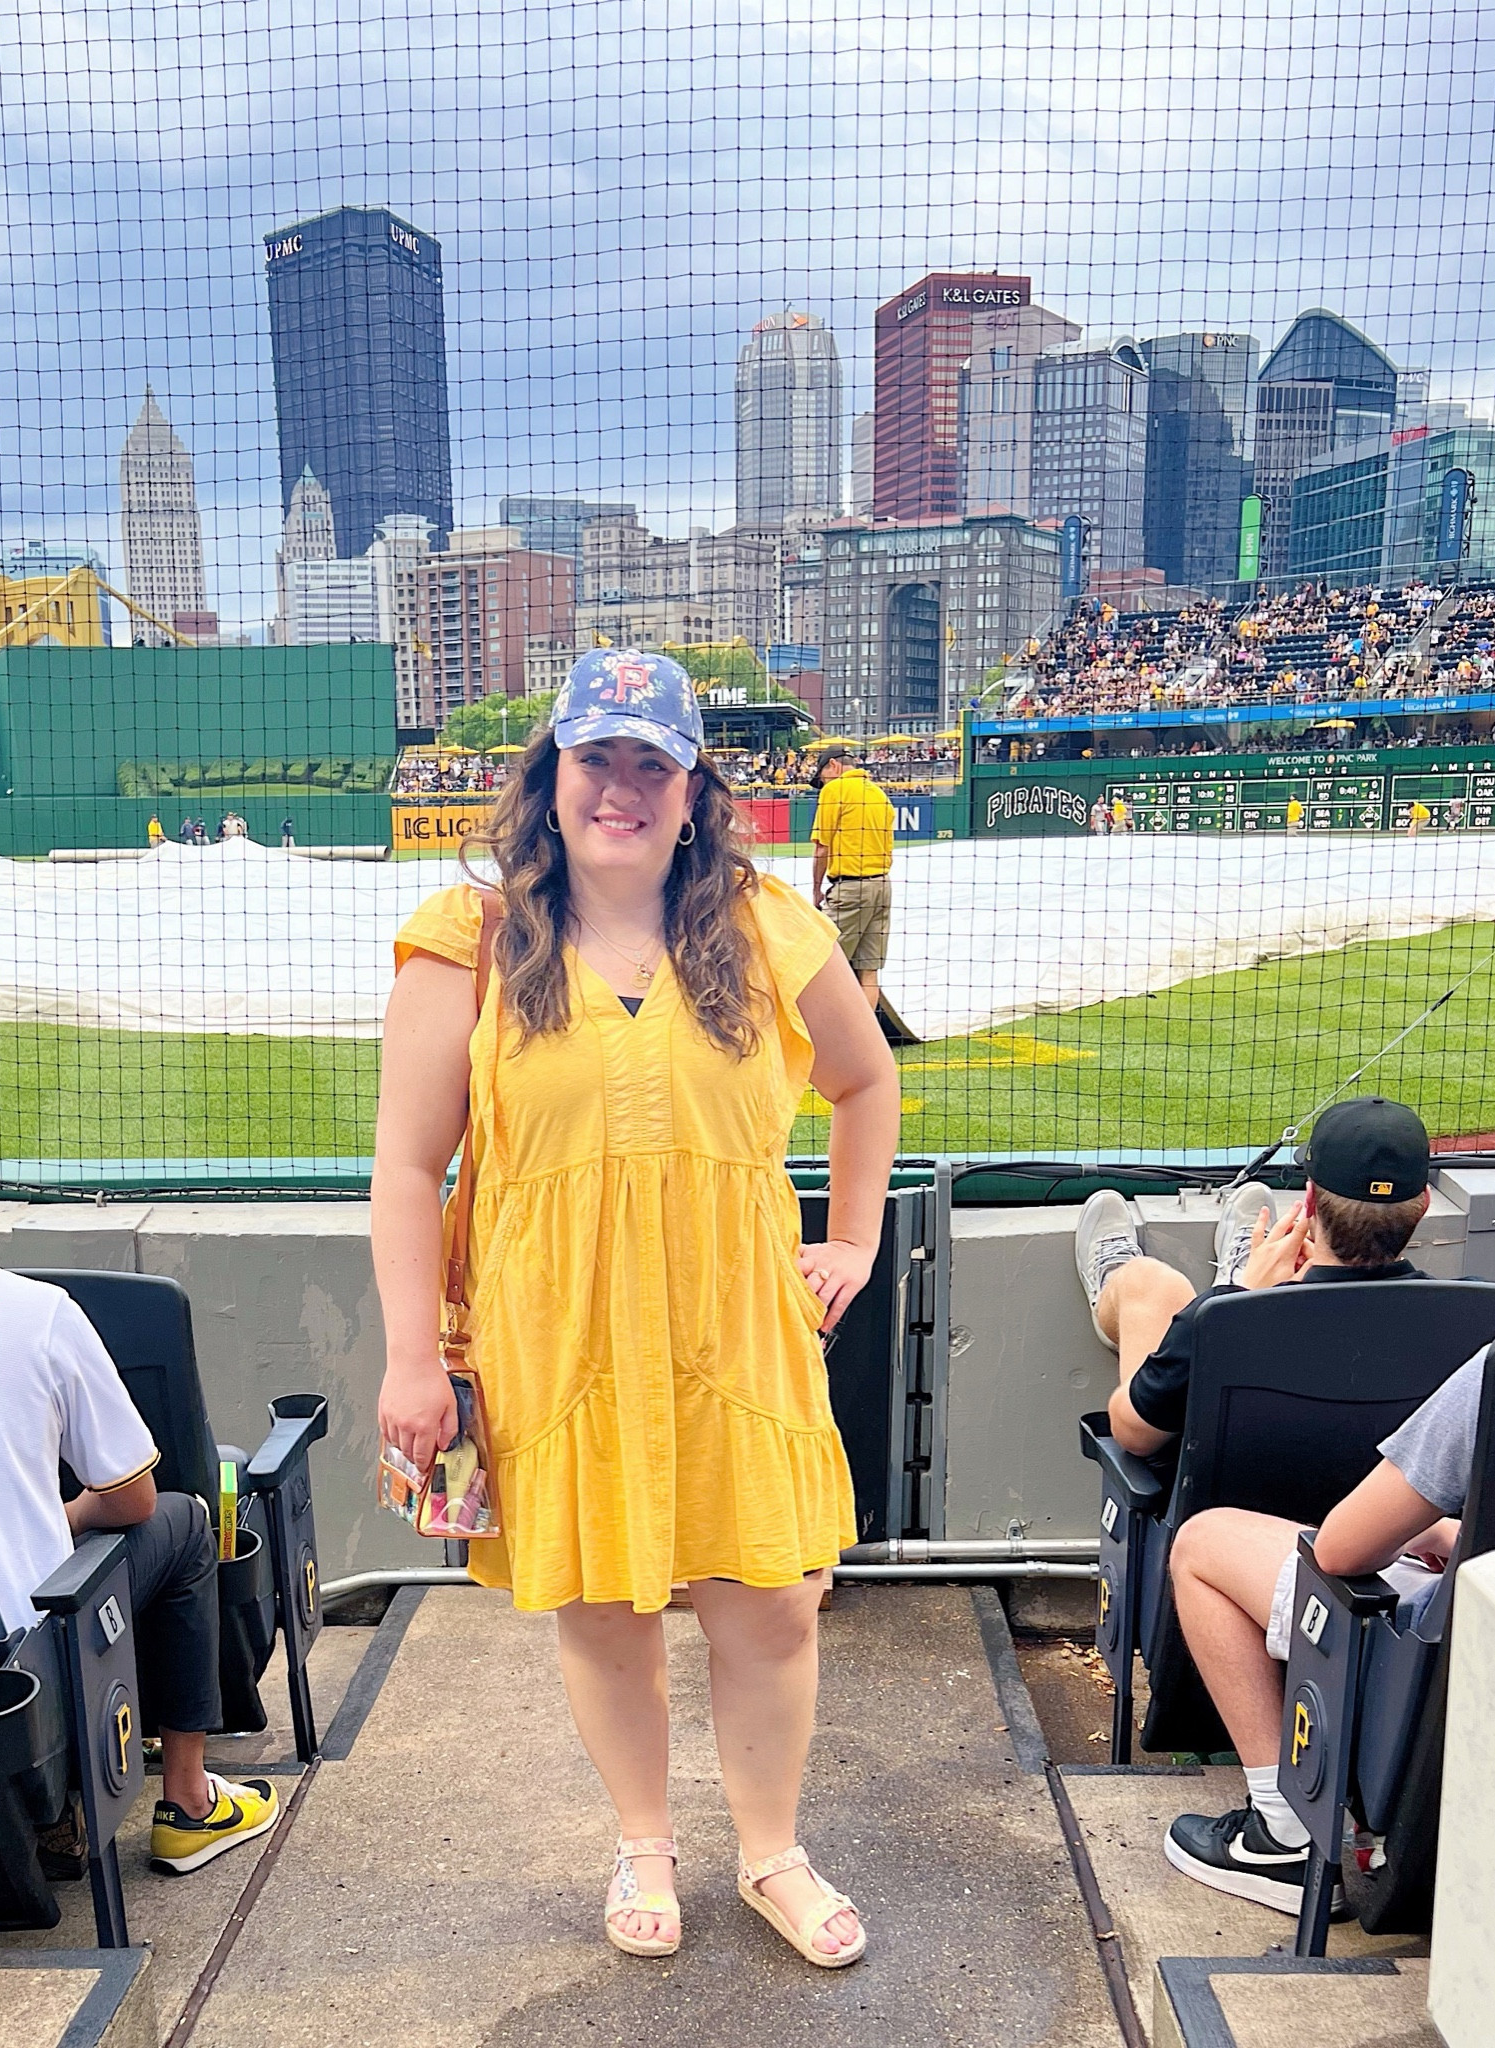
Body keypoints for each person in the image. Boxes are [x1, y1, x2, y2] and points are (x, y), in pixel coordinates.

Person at [375, 649, 898, 1967]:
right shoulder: (470, 942)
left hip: (736, 1333)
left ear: (689, 790)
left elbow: (865, 1078)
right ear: (549, 777)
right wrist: (406, 1359)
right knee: (603, 1608)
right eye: (593, 757)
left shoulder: (768, 926)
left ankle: (770, 1852)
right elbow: (403, 1164)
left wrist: (849, 1240)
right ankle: (643, 1844)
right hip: (560, 1337)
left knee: (768, 1603)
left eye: (648, 763)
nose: (619, 787)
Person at [0, 1067, 277, 1877]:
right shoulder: (36, 1311)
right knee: (187, 1520)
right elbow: (130, 1498)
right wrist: (66, 1516)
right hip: (5, 1686)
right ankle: (189, 1803)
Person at [1162, 1341, 1491, 1912]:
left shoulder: (1489, 1375)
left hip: (1442, 1667)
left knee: (1203, 1543)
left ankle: (1281, 1835)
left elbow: (1341, 1551)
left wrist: (1437, 1531)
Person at [1075, 1096, 1434, 1468]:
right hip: (1394, 1524)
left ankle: (1228, 1273)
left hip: (1226, 1519)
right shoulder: (1476, 1319)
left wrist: (1242, 1299)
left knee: (1147, 1282)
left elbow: (1133, 1435)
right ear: (1423, 1204)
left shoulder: (1215, 1322)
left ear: (1308, 1201)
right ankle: (1242, 1268)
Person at [809, 745, 895, 1016]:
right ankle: (868, 1040)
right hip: (882, 885)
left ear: (832, 766)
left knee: (820, 962)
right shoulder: (878, 793)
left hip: (851, 888)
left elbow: (822, 848)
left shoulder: (835, 790)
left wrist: (816, 891)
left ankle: (826, 1037)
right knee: (868, 971)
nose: (822, 783)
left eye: (822, 776)